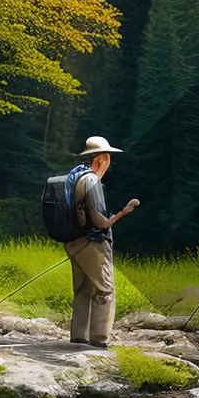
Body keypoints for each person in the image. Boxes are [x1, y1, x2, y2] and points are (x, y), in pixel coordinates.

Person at [64, 136, 139, 348]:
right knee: (105, 291)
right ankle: (99, 340)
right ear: (102, 158)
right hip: (92, 243)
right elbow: (100, 221)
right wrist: (122, 213)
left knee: (83, 289)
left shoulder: (75, 175)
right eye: (108, 157)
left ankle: (79, 337)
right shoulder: (92, 181)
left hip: (74, 242)